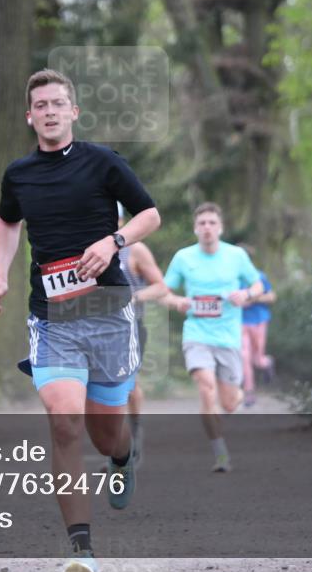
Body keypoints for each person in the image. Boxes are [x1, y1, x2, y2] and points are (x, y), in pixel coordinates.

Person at [0, 69, 161, 572]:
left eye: (59, 103)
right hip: (52, 317)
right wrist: (0, 275)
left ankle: (124, 457)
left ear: (73, 112)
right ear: (30, 116)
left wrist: (114, 242)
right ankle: (82, 552)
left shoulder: (103, 162)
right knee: (63, 421)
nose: (51, 111)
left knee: (107, 436)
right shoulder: (19, 174)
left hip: (107, 315)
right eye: (41, 105)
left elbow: (149, 214)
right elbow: (7, 220)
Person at [157, 202, 263, 473]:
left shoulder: (236, 255)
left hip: (228, 338)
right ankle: (220, 452)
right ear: (195, 228)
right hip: (197, 334)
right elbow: (163, 292)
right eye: (202, 223)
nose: (207, 228)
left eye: (212, 223)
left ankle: (238, 394)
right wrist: (177, 301)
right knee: (206, 387)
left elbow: (258, 284)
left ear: (220, 228)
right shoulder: (183, 258)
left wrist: (246, 295)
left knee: (229, 403)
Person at [116, 203, 167, 468]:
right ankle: (116, 449)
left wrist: (134, 297)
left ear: (121, 219)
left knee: (129, 385)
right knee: (101, 388)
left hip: (131, 327)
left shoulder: (134, 250)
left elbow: (160, 286)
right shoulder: (86, 249)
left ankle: (135, 441)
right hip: (95, 329)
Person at [241, 268, 277, 407]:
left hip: (259, 320)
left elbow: (271, 296)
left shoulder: (259, 276)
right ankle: (249, 392)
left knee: (257, 359)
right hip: (241, 321)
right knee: (245, 356)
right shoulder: (231, 278)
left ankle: (267, 362)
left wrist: (253, 298)